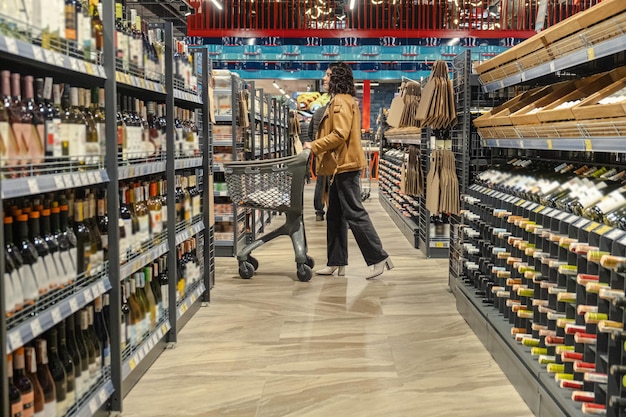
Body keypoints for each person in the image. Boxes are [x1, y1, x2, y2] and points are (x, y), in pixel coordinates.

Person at [303, 63, 393, 280]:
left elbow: (340, 134)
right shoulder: (338, 100)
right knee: (334, 215)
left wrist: (313, 146)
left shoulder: (341, 102)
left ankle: (379, 257)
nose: (324, 79)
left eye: (327, 75)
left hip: (345, 166)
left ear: (336, 78)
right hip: (337, 167)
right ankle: (336, 261)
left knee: (354, 212)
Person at [307, 103, 328, 221]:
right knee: (335, 184)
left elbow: (310, 132)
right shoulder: (336, 112)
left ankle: (319, 212)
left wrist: (316, 144)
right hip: (333, 153)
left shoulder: (318, 111)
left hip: (320, 152)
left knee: (320, 183)